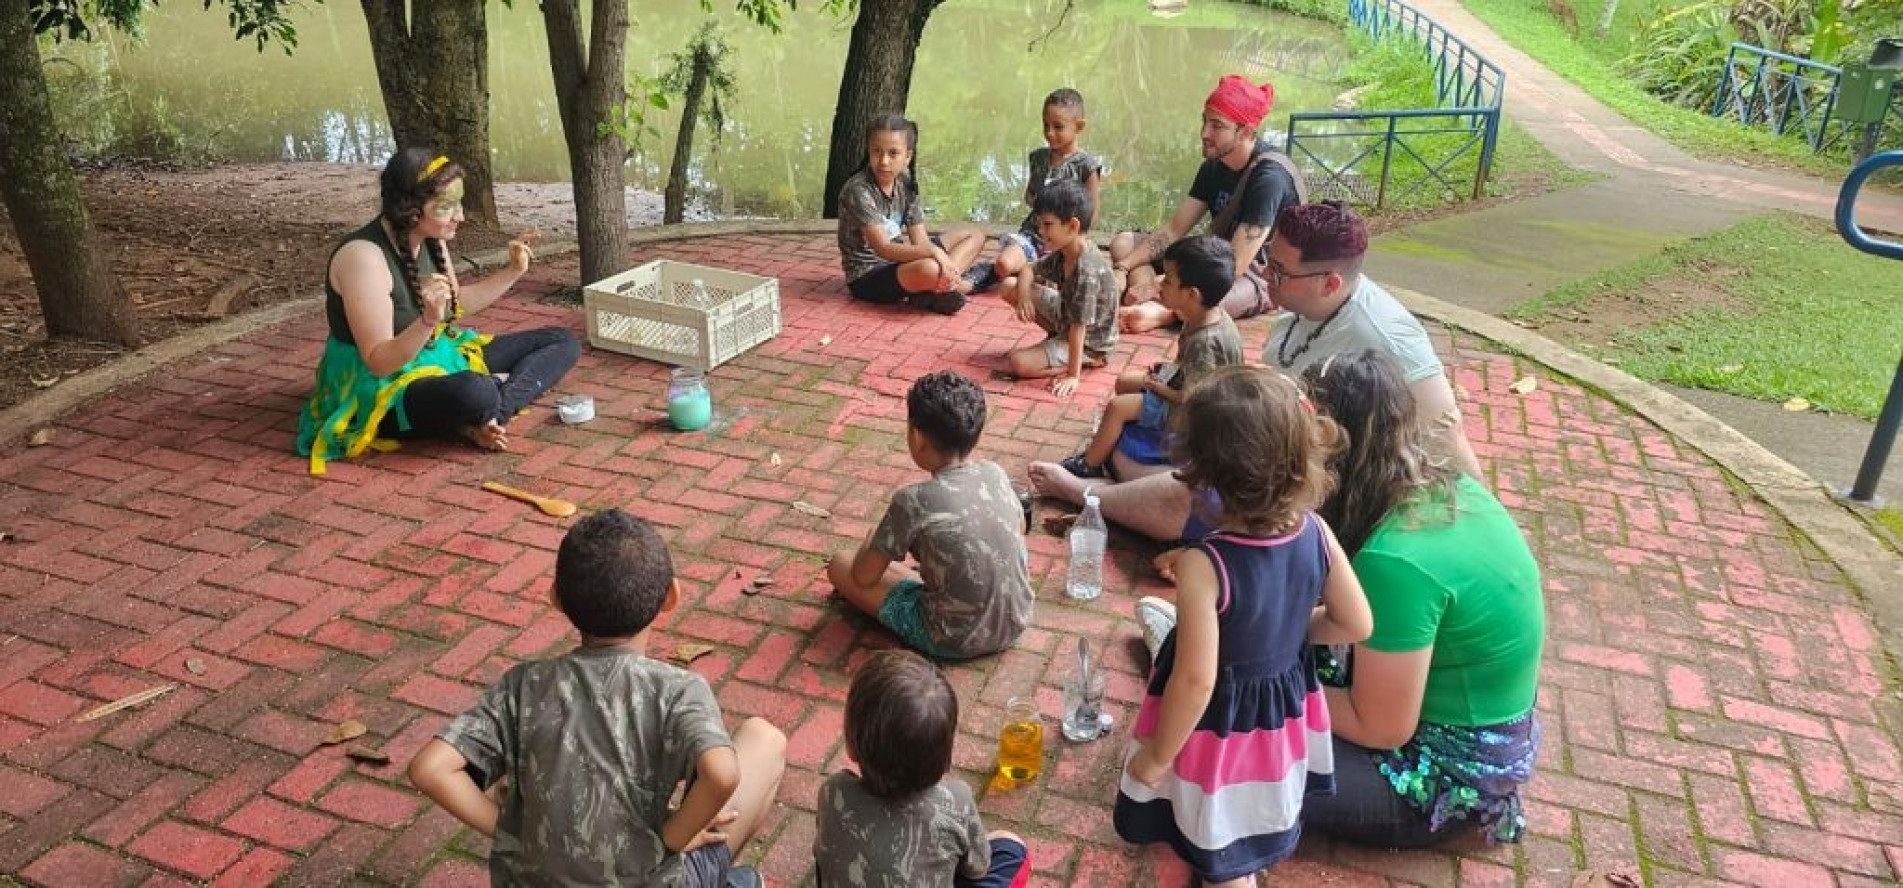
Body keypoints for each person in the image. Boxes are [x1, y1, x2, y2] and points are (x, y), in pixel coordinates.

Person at [1026, 201, 1484, 542]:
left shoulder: (1388, 336)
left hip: (1337, 486)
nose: (1264, 278)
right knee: (1164, 454)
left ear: (1330, 282)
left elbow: (1449, 437)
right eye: (1268, 261)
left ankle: (1086, 493)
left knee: (1192, 488)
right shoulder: (1298, 307)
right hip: (1283, 453)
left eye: (1280, 271)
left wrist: (1482, 526)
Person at [409, 509, 787, 887]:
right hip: (652, 874)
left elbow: (431, 768)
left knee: (509, 785)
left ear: (556, 598)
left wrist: (517, 834)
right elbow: (722, 774)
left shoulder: (524, 685)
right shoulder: (679, 690)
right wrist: (671, 837)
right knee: (764, 738)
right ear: (671, 596)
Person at [1113, 366, 1373, 886]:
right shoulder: (1318, 532)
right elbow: (1355, 622)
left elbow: (1196, 680)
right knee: (1245, 819)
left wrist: (1158, 757)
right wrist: (1289, 633)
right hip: (1281, 719)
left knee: (1216, 828)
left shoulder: (1203, 564)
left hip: (1221, 727)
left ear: (1207, 477)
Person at [1294, 350, 1545, 847]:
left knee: (1225, 746)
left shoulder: (1394, 560)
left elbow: (1380, 726)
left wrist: (1243, 685)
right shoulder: (1447, 488)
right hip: (1478, 743)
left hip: (1446, 783)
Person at [298, 148, 580, 475]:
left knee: (561, 341)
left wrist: (512, 272)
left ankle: (488, 415)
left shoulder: (431, 236)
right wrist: (428, 319)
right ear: (410, 209)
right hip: (379, 391)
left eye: (458, 203)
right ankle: (481, 406)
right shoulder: (363, 258)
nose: (460, 216)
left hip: (437, 355)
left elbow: (455, 306)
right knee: (474, 389)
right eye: (446, 207)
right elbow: (379, 362)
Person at [827, 371, 1034, 659]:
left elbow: (863, 576)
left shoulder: (912, 501)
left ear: (917, 436)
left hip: (952, 637)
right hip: (1015, 621)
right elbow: (1020, 528)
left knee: (840, 564)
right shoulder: (995, 473)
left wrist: (871, 540)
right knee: (913, 572)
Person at [812, 650, 1031, 887]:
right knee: (1011, 847)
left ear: (852, 745)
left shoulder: (833, 791)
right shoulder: (956, 802)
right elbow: (977, 869)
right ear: (945, 756)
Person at [1108, 75, 1305, 333]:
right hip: (1211, 256)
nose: (1204, 133)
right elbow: (1174, 230)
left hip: (1254, 274)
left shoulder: (1269, 178)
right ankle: (1159, 302)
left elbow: (1234, 264)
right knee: (1124, 244)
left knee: (1217, 295)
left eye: (1216, 126)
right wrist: (1122, 269)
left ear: (1245, 131)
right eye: (1204, 121)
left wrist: (1155, 285)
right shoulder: (1213, 166)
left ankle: (1160, 312)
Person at [1058, 236, 1243, 479]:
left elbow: (1192, 398)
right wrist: (1166, 372)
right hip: (1191, 383)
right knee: (1124, 381)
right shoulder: (1202, 313)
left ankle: (1091, 463)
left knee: (1117, 407)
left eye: (1168, 280)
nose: (1159, 283)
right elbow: (1194, 370)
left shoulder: (1205, 341)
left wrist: (1157, 387)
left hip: (1200, 413)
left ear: (1192, 294)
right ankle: (1119, 433)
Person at [836, 115, 989, 315]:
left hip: (901, 263)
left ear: (907, 156)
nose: (883, 161)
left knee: (975, 235)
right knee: (930, 268)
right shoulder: (858, 191)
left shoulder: (906, 183)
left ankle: (936, 288)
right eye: (876, 151)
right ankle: (959, 285)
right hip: (868, 275)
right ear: (869, 151)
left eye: (893, 153)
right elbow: (883, 248)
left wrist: (936, 255)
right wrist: (935, 254)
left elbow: (920, 240)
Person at [1001, 180, 1119, 398]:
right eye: (1039, 224)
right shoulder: (1065, 250)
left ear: (1073, 226)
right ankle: (1056, 338)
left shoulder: (1087, 269)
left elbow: (1079, 327)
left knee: (1019, 363)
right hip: (1067, 314)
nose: (1041, 231)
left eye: (1047, 225)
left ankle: (1088, 361)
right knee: (1010, 287)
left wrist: (1072, 376)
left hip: (1090, 341)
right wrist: (1024, 298)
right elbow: (1027, 269)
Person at [987, 88, 1104, 292]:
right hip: (1034, 235)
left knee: (1073, 280)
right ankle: (1032, 270)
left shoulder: (1086, 165)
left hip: (1066, 242)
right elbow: (1029, 195)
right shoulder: (1039, 158)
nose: (1050, 133)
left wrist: (1069, 231)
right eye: (1046, 125)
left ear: (1079, 126)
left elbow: (1091, 214)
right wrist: (1042, 203)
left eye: (1058, 127)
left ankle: (1038, 273)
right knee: (1003, 264)